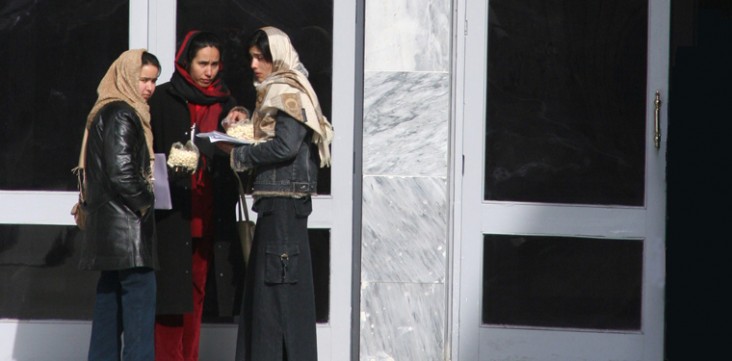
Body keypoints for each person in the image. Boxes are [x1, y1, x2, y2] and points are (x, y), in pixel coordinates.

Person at [223, 26, 333, 361]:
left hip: (284, 204)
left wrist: (239, 155)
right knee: (271, 295)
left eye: (263, 57)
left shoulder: (287, 89)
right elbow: (273, 133)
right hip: (277, 203)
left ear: (279, 56)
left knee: (278, 296)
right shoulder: (278, 89)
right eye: (252, 57)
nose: (255, 64)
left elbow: (285, 145)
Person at [148, 30, 247, 361]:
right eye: (203, 63)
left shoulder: (225, 101)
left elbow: (239, 147)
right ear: (186, 62)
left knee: (197, 292)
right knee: (169, 294)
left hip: (207, 210)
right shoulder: (164, 98)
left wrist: (239, 121)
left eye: (215, 64)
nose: (209, 71)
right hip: (171, 211)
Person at [76, 49, 161, 361]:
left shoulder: (104, 110)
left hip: (110, 232)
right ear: (126, 77)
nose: (149, 87)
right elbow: (122, 172)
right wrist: (147, 200)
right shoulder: (124, 113)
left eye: (154, 80)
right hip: (128, 234)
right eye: (144, 79)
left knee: (108, 308)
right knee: (139, 313)